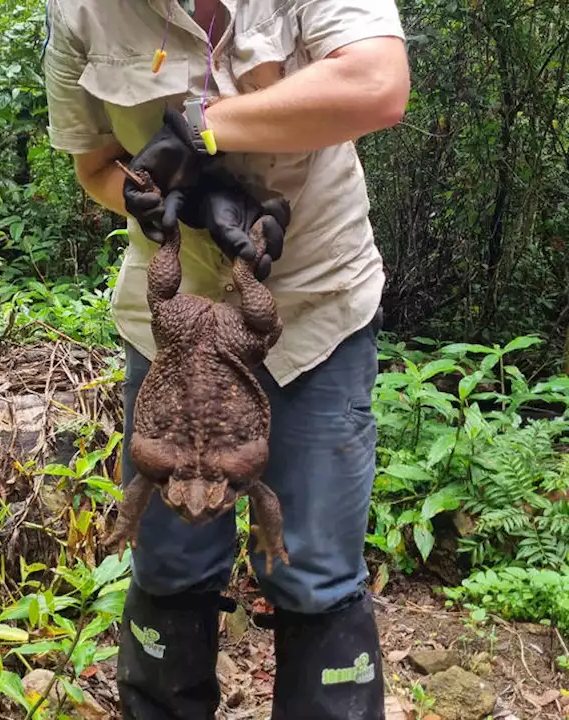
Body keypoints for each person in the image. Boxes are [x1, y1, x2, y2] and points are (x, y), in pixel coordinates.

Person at [42, 1, 410, 718]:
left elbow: (377, 84)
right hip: (173, 331)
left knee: (314, 570)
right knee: (170, 564)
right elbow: (95, 166)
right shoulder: (79, 12)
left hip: (313, 309)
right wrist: (154, 199)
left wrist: (199, 132)